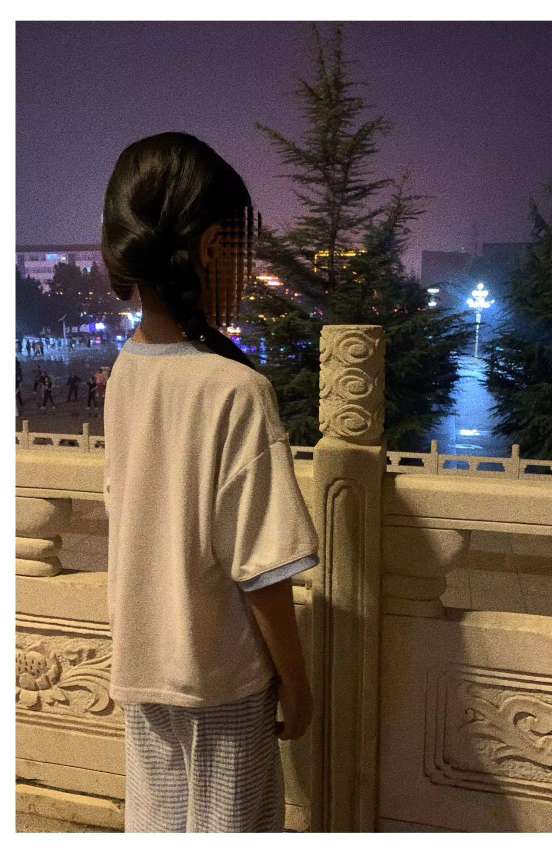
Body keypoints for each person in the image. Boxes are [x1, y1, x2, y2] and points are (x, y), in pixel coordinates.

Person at [101, 132, 318, 833]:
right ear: (212, 247)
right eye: (242, 250)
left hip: (142, 666)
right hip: (222, 678)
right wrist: (298, 684)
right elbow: (263, 567)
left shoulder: (125, 371)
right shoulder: (235, 390)